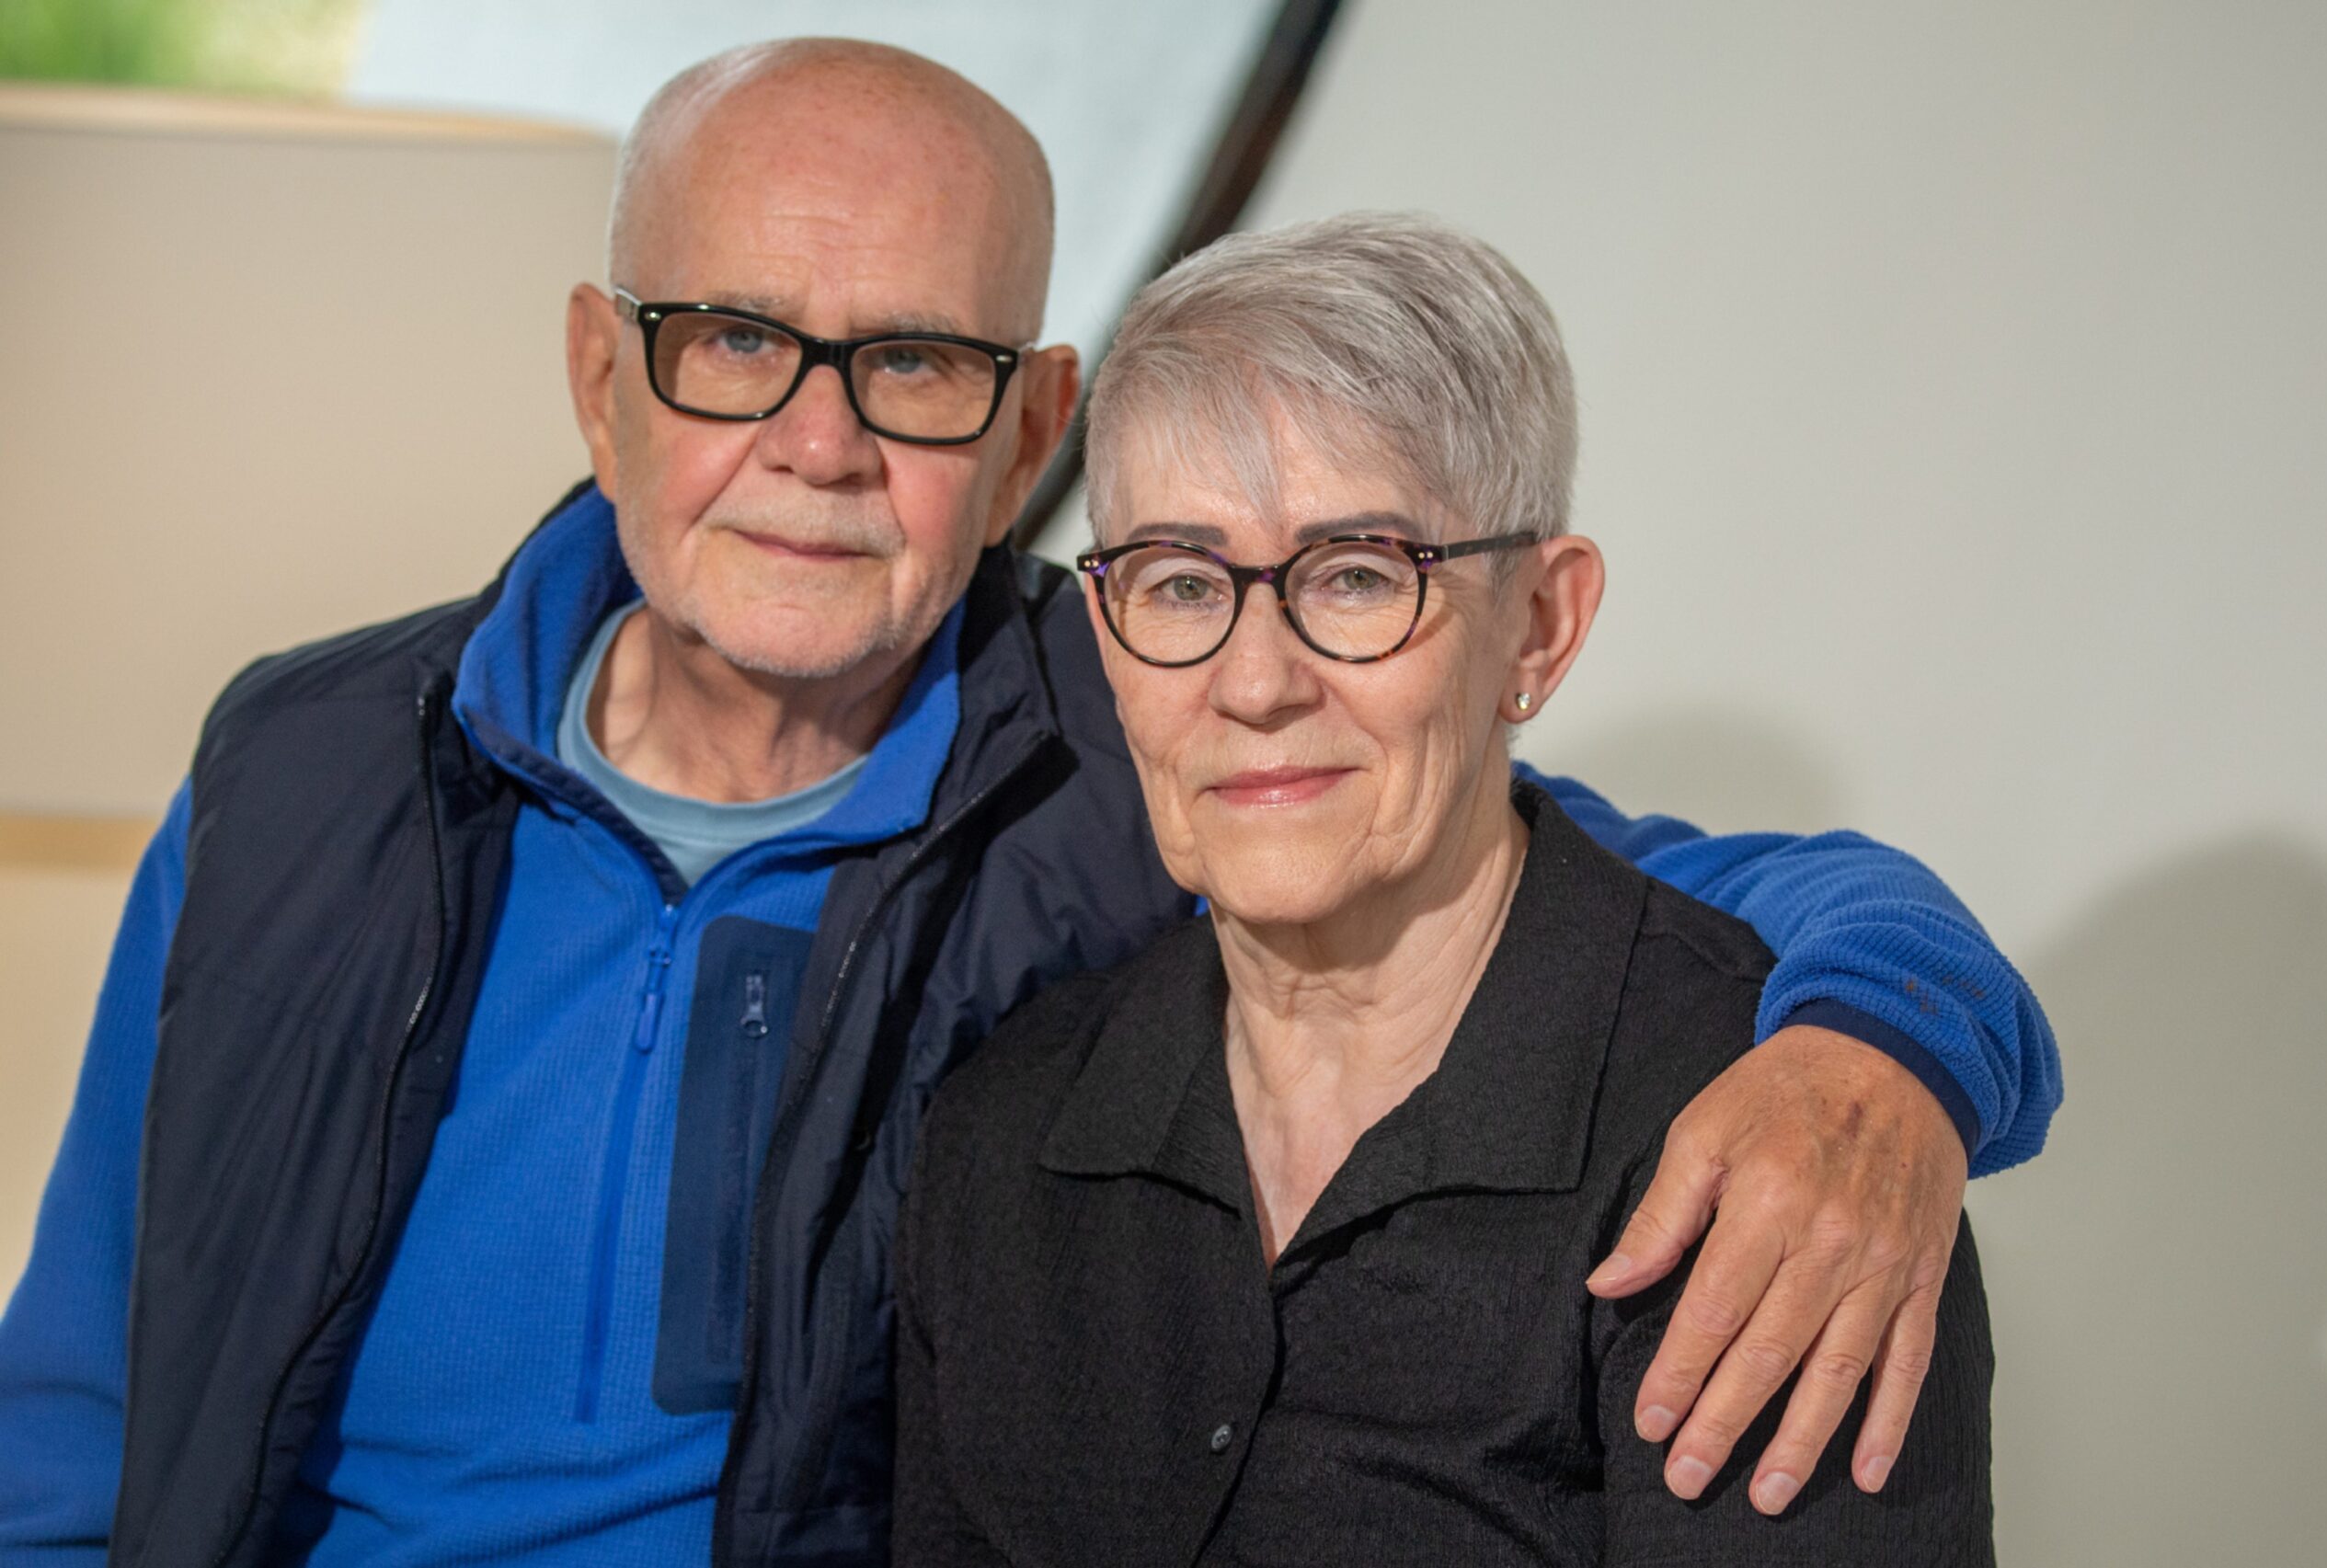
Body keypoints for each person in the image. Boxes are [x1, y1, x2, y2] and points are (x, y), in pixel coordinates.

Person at [0, 39, 2052, 1568]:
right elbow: (84, 1393)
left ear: (1028, 436)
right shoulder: (299, 765)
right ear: (598, 377)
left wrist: (1887, 1043)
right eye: (732, 341)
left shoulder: (1134, 745)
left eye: (913, 365)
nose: (814, 443)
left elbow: (1590, 866)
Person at [893, 212, 1995, 1566]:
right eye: (1182, 583)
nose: (1254, 681)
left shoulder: (1773, 1156)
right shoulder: (1001, 1127)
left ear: (1539, 625)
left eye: (1358, 576)